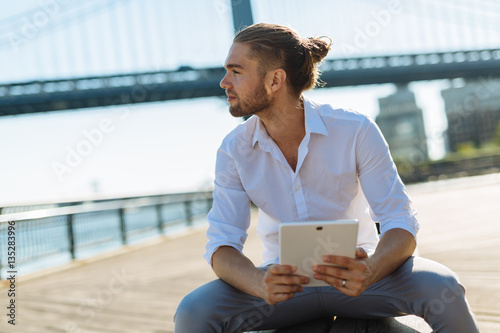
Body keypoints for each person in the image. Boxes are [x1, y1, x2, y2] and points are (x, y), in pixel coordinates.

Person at [174, 23, 479, 333]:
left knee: (444, 289)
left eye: (236, 71)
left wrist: (371, 270)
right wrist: (258, 282)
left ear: (275, 80)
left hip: (360, 280)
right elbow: (222, 244)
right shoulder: (233, 150)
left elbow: (400, 221)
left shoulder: (354, 129)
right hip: (283, 291)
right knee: (193, 311)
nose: (224, 82)